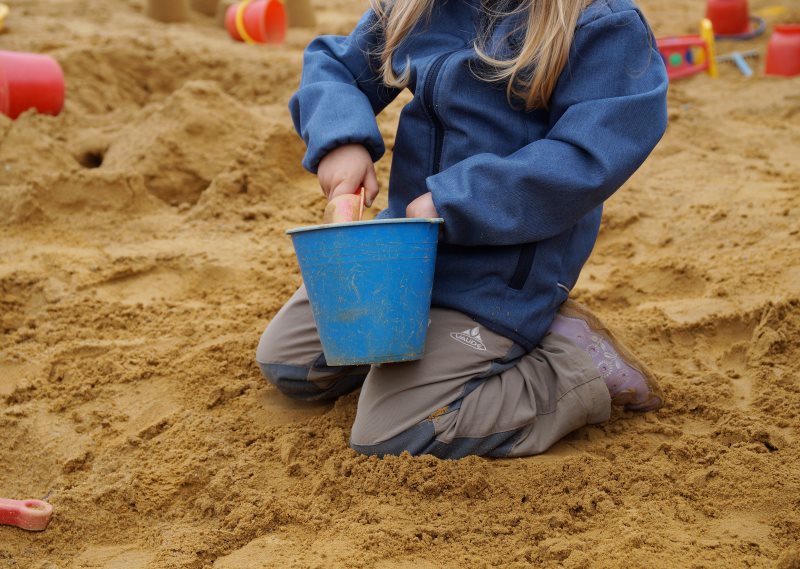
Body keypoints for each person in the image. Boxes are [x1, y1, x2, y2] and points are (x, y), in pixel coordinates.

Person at [257, 0, 668, 458]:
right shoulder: (420, 7)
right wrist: (341, 137)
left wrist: (459, 200)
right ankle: (445, 351)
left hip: (502, 272)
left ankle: (572, 365)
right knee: (290, 364)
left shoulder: (602, 23)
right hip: (409, 245)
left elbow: (589, 154)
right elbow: (335, 65)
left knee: (395, 433)